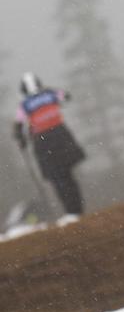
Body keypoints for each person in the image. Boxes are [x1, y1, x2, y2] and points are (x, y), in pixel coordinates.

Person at [12, 72, 85, 219]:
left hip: (43, 142)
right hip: (62, 137)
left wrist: (21, 140)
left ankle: (72, 212)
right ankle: (77, 208)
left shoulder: (25, 105)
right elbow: (66, 96)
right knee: (67, 175)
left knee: (57, 178)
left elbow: (18, 125)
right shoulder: (50, 93)